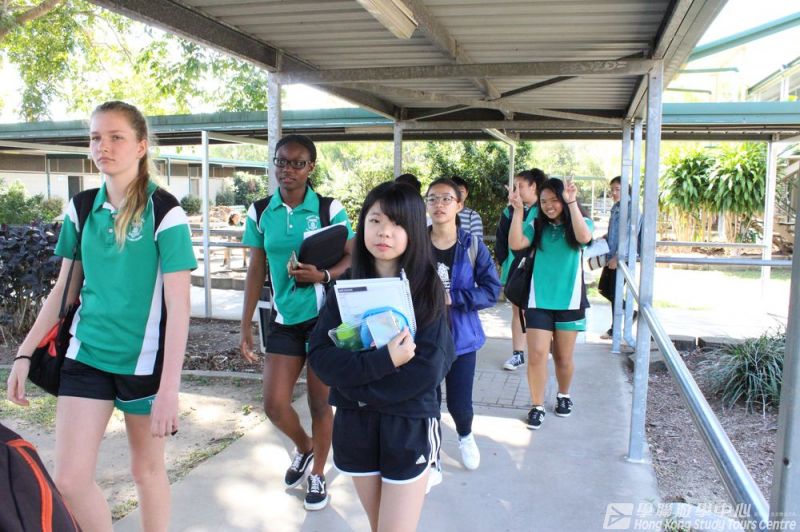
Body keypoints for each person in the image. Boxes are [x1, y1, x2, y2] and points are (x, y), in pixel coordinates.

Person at [6, 100, 197, 531]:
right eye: (95, 137)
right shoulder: (81, 207)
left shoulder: (165, 211)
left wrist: (170, 389)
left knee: (146, 471)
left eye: (116, 137)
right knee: (70, 481)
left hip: (144, 363)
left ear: (141, 146)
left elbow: (180, 308)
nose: (103, 147)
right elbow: (63, 291)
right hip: (86, 353)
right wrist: (24, 353)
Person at [308, 181, 455, 532]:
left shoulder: (428, 289)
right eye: (375, 221)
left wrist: (352, 387)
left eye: (397, 223)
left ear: (414, 230)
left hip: (408, 425)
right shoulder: (345, 287)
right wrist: (386, 360)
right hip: (355, 426)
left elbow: (427, 370)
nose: (384, 232)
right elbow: (321, 357)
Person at [239, 134, 355, 512]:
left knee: (321, 403)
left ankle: (318, 473)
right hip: (285, 318)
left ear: (311, 168)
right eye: (281, 161)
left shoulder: (328, 208)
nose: (287, 169)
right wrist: (245, 324)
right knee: (274, 404)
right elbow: (256, 268)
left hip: (324, 319)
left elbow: (352, 255)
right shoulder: (261, 211)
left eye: (297, 163)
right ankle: (305, 447)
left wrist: (323, 275)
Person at [426, 178, 500, 470]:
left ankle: (465, 436)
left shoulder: (472, 245)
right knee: (428, 400)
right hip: (424, 337)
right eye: (432, 198)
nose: (439, 204)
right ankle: (432, 453)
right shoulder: (415, 243)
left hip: (461, 338)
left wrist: (453, 297)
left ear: (459, 205)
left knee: (459, 402)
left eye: (446, 199)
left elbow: (491, 290)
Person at [508, 177, 593, 430]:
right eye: (544, 201)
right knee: (536, 355)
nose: (548, 206)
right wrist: (518, 211)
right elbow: (516, 244)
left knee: (563, 358)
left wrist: (571, 202)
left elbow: (584, 237)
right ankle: (537, 405)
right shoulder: (537, 224)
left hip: (570, 303)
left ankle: (563, 395)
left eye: (554, 200)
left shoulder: (581, 221)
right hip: (538, 301)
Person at [494, 169, 546, 371]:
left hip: (541, 271)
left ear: (534, 186)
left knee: (537, 312)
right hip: (517, 269)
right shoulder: (512, 211)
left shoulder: (544, 211)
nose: (516, 191)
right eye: (514, 187)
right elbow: (503, 240)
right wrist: (506, 261)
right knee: (518, 310)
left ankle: (541, 349)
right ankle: (518, 354)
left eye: (520, 186)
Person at [450, 175, 484, 239]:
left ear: (466, 193)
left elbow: (476, 242)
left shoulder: (473, 216)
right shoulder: (441, 213)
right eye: (454, 191)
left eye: (461, 191)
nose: (458, 195)